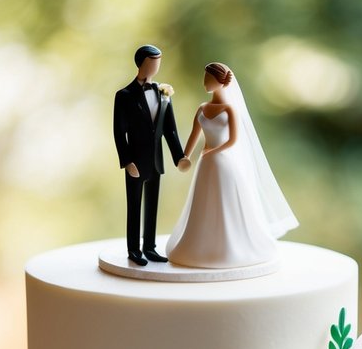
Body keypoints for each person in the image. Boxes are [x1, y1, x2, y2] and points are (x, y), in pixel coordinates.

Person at [166, 62, 297, 269]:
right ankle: (201, 245)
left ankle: (229, 247)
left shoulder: (229, 110)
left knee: (225, 202)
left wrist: (212, 151)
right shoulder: (202, 108)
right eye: (204, 79)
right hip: (205, 164)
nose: (205, 83)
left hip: (222, 162)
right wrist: (185, 156)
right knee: (203, 203)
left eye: (208, 79)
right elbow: (194, 135)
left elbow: (232, 140)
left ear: (219, 82)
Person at [113, 44, 190, 267]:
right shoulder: (124, 96)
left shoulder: (163, 93)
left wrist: (179, 157)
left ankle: (149, 246)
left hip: (156, 161)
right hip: (136, 161)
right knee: (134, 206)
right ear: (142, 63)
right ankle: (134, 249)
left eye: (159, 61)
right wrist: (127, 161)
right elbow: (119, 132)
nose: (156, 66)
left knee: (152, 206)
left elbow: (170, 130)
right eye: (152, 61)